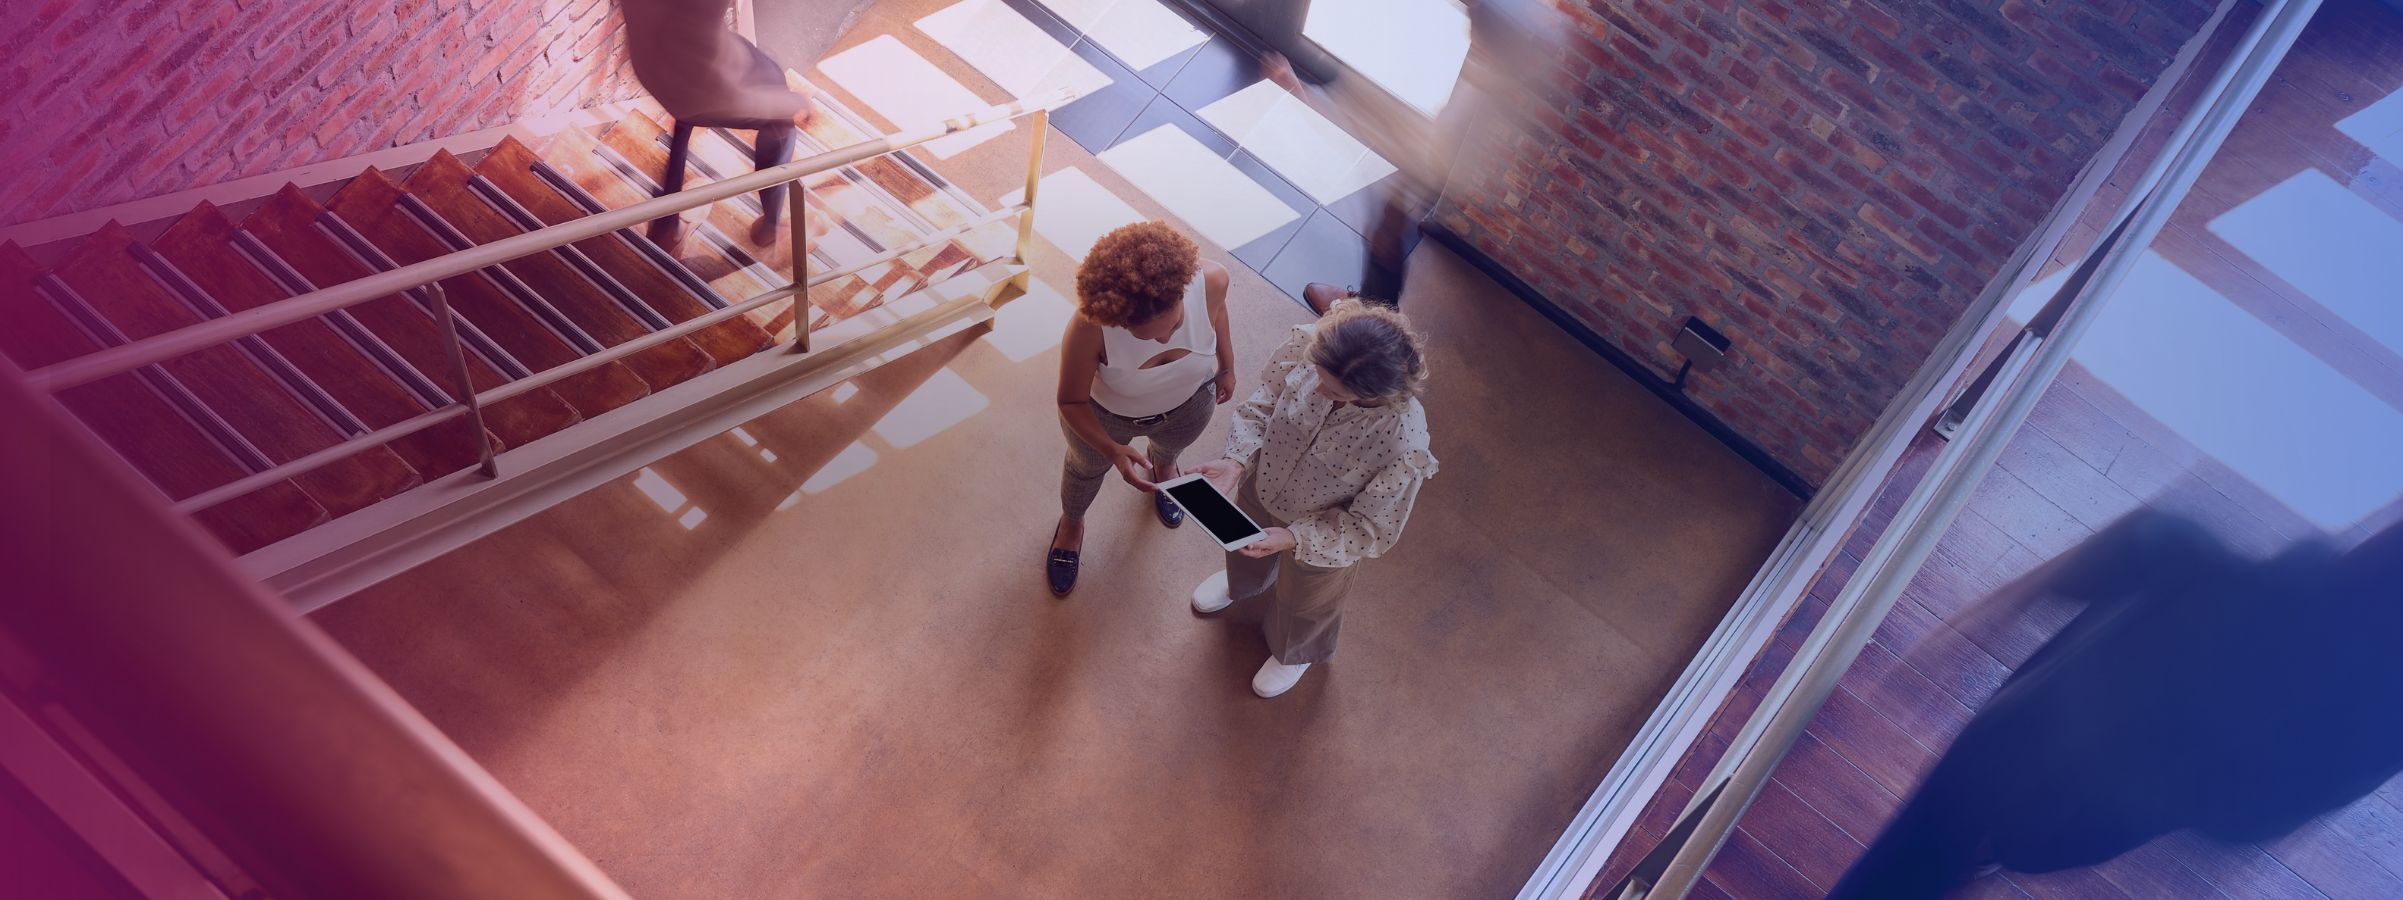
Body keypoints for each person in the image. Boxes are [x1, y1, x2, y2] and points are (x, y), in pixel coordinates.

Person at [1826, 511, 2403, 898]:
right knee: (1967, 849)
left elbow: (2143, 543)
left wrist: (1994, 612)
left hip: (2009, 750)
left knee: (1923, 850)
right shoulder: (2368, 730)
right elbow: (2250, 821)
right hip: (2074, 815)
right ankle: (1977, 859)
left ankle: (1965, 859)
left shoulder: (2229, 579)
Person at [1187, 299, 1438, 698]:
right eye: (1318, 376)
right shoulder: (1311, 349)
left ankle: (1295, 652)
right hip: (1264, 485)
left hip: (1326, 531)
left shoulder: (1401, 444)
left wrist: (1294, 539)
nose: (1317, 389)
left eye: (1333, 390)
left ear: (1373, 395)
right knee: (1242, 545)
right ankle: (1242, 585)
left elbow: (1368, 528)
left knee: (1308, 598)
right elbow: (1264, 404)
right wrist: (1237, 460)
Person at [1047, 222, 1236, 597]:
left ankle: (1165, 468)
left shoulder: (1212, 280)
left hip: (1189, 402)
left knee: (1171, 449)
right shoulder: (1090, 327)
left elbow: (1219, 314)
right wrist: (1112, 450)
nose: (1166, 339)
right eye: (1148, 337)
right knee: (1085, 470)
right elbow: (1070, 400)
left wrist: (1227, 366)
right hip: (1106, 418)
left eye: (1175, 325)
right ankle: (1072, 523)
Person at [620, 0, 818, 250]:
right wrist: (790, 104)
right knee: (780, 123)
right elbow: (727, 92)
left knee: (690, 108)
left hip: (650, 65)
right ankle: (770, 226)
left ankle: (666, 224)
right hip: (701, 89)